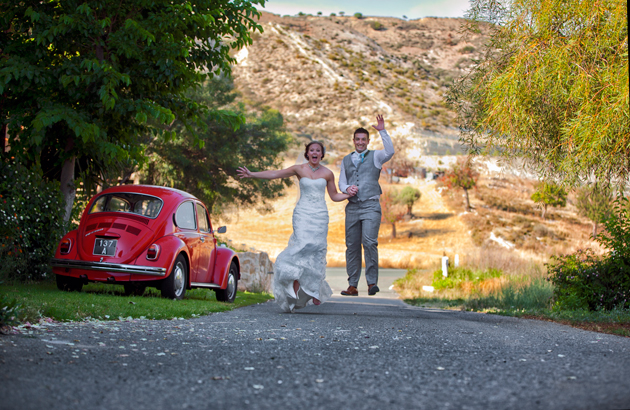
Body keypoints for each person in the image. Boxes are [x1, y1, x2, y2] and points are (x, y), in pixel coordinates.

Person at [237, 141, 355, 312]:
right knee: (300, 247)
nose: (315, 153)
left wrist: (347, 195)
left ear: (322, 154)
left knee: (317, 250)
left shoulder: (328, 173)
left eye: (318, 150)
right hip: (302, 214)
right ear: (307, 153)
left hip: (320, 215)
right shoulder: (299, 169)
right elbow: (275, 173)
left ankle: (314, 288)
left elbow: (334, 195)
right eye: (311, 150)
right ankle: (294, 283)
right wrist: (252, 174)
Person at [338, 114, 395, 296]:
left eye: (363, 139)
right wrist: (348, 188)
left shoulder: (376, 156)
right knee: (352, 245)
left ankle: (371, 283)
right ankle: (352, 285)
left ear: (368, 141)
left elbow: (391, 152)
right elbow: (341, 182)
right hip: (353, 207)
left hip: (371, 205)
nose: (360, 142)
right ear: (353, 141)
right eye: (358, 139)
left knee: (369, 243)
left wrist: (382, 131)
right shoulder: (346, 160)